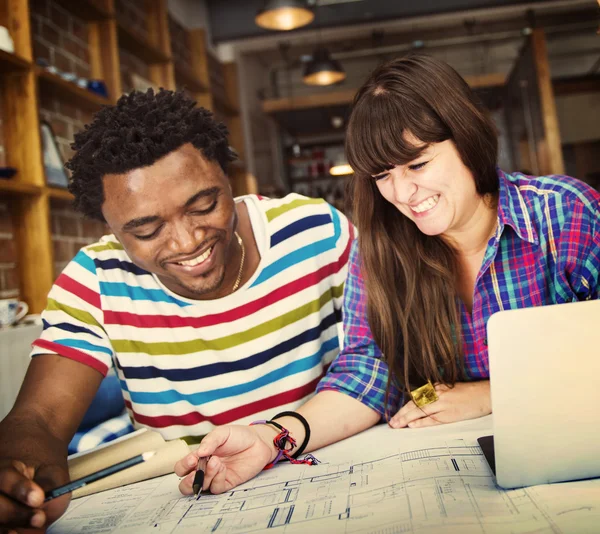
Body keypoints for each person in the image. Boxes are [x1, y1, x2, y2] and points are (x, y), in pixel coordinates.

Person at [174, 54, 599, 496]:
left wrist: (492, 394)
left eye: (417, 165)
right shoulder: (378, 249)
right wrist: (270, 438)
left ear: (467, 138)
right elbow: (369, 371)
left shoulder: (565, 215)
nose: (402, 193)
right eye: (382, 175)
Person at [0, 89, 354, 531]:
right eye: (147, 230)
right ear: (111, 230)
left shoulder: (313, 232)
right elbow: (41, 417)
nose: (187, 243)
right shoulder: (95, 279)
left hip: (329, 467)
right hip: (193, 505)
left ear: (230, 179)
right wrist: (20, 474)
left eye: (204, 205)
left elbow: (385, 355)